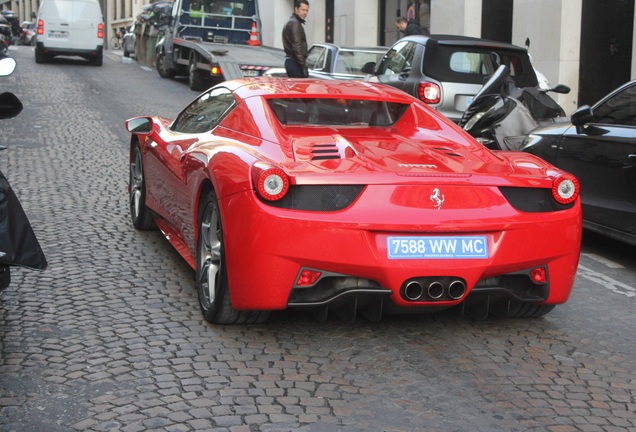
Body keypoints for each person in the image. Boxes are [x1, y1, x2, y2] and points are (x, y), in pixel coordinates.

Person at [282, 0, 309, 78]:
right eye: (303, 10)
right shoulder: (295, 24)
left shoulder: (292, 21)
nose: (305, 13)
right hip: (295, 63)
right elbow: (297, 47)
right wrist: (303, 66)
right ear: (296, 9)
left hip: (292, 61)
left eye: (307, 10)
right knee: (299, 89)